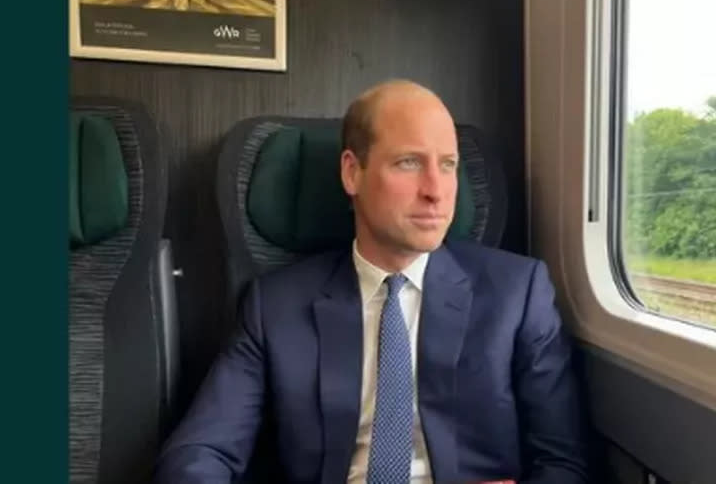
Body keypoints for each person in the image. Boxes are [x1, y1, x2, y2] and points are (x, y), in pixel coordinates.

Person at [153, 80, 589, 483]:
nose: (436, 190)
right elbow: (200, 451)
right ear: (352, 172)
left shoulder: (517, 293)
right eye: (409, 162)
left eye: (448, 164)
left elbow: (563, 462)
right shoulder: (276, 306)